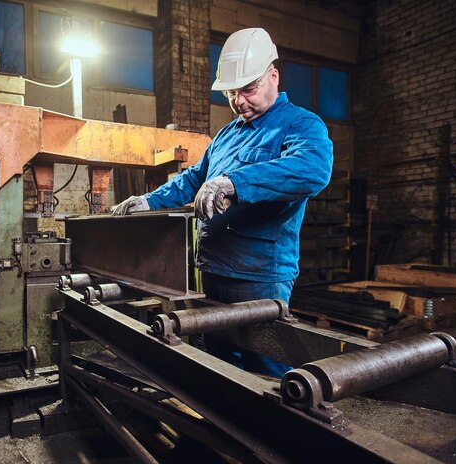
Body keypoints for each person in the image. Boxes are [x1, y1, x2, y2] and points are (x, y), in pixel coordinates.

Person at [111, 27, 333, 376]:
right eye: (232, 92)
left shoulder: (301, 125)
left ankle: (268, 432)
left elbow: (313, 169)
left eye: (248, 89)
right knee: (219, 365)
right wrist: (148, 201)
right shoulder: (227, 134)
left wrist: (235, 182)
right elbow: (195, 178)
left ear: (273, 75)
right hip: (213, 270)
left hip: (259, 276)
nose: (239, 101)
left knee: (265, 369)